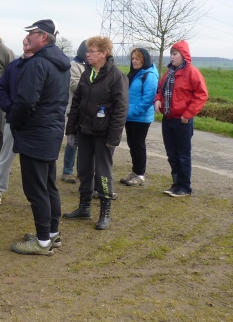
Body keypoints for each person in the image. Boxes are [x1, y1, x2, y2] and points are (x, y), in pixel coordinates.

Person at [9, 20, 71, 255]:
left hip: (36, 132)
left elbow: (25, 101)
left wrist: (15, 121)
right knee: (48, 185)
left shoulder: (38, 64)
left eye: (31, 33)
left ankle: (42, 241)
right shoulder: (60, 62)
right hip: (51, 130)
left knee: (36, 189)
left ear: (43, 36)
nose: (28, 37)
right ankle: (52, 234)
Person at [63, 36, 128, 230]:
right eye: (87, 51)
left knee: (103, 173)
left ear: (103, 53)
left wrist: (113, 138)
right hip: (85, 131)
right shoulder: (86, 74)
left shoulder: (117, 77)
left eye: (91, 51)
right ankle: (84, 207)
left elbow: (120, 109)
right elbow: (77, 104)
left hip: (104, 135)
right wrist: (71, 130)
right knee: (83, 170)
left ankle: (105, 211)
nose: (87, 54)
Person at [153, 41, 209, 197]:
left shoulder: (192, 73)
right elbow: (160, 89)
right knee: (171, 153)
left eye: (175, 54)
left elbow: (202, 95)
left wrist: (188, 114)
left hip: (182, 120)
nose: (172, 56)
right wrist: (158, 99)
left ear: (184, 55)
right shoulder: (169, 72)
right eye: (171, 53)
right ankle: (176, 184)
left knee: (182, 154)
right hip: (168, 118)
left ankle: (184, 187)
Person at [0, 36, 33, 205]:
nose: (27, 47)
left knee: (32, 161)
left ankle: (36, 196)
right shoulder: (14, 66)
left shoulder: (41, 66)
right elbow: (2, 88)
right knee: (5, 157)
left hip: (33, 123)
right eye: (24, 44)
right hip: (13, 120)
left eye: (30, 44)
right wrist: (9, 106)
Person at [119, 48, 159, 187]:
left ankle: (140, 174)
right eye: (133, 58)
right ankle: (135, 172)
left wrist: (133, 112)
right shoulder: (135, 73)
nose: (134, 61)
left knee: (138, 144)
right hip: (130, 116)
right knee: (132, 144)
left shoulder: (149, 75)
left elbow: (148, 99)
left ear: (144, 60)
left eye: (138, 59)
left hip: (140, 117)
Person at [60, 41, 87, 183]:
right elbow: (73, 85)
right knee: (72, 142)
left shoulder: (93, 66)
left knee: (85, 144)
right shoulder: (74, 65)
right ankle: (67, 171)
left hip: (89, 110)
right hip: (75, 109)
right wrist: (91, 83)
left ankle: (82, 171)